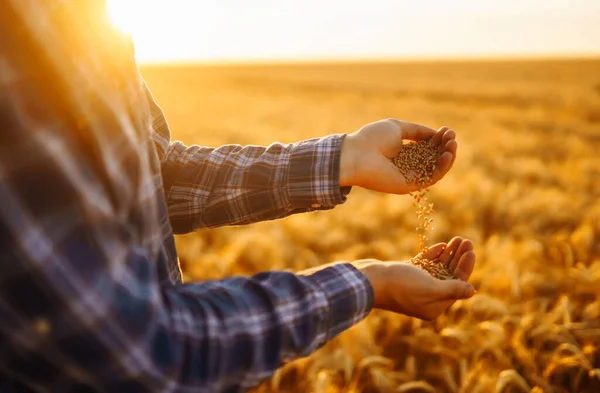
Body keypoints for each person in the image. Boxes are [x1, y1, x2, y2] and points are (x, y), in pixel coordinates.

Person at [0, 1, 476, 392]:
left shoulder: (88, 22)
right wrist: (371, 282)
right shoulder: (16, 38)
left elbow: (152, 175)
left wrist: (342, 160)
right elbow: (138, 354)